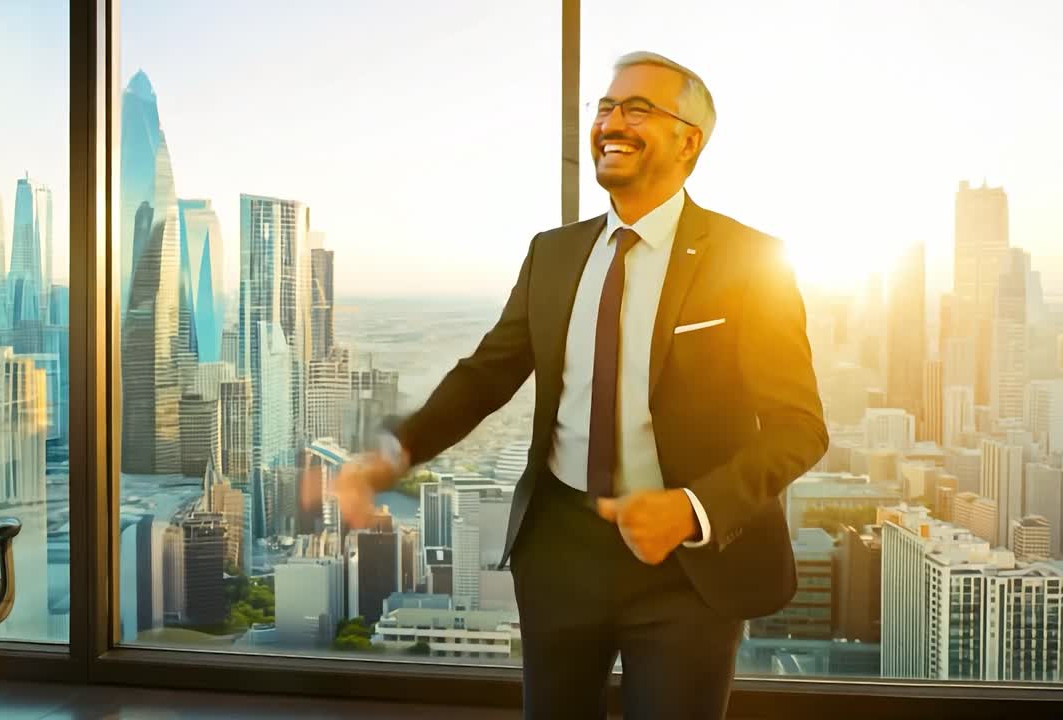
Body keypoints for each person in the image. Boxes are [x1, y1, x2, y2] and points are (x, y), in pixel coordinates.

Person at [332, 50, 828, 719]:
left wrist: (691, 508)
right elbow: (487, 373)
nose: (611, 121)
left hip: (687, 568)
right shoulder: (554, 253)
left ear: (689, 141)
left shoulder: (750, 259)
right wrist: (393, 454)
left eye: (637, 108)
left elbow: (801, 428)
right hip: (560, 551)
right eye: (605, 106)